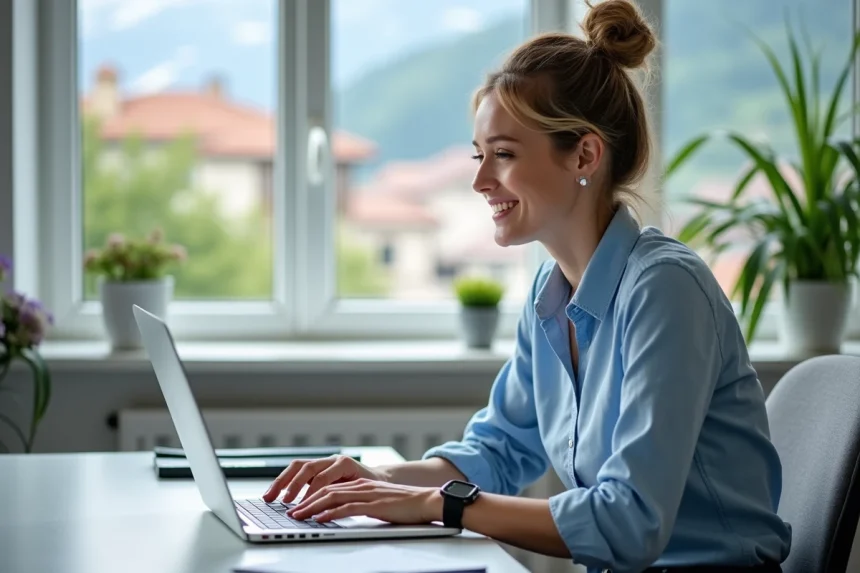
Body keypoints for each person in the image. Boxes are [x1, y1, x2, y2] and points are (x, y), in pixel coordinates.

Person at [262, 0, 793, 571]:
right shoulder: (552, 291)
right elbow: (497, 451)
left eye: (504, 155)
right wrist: (372, 480)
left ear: (585, 154)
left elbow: (630, 522)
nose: (479, 180)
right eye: (479, 155)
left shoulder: (665, 290)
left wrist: (432, 505)